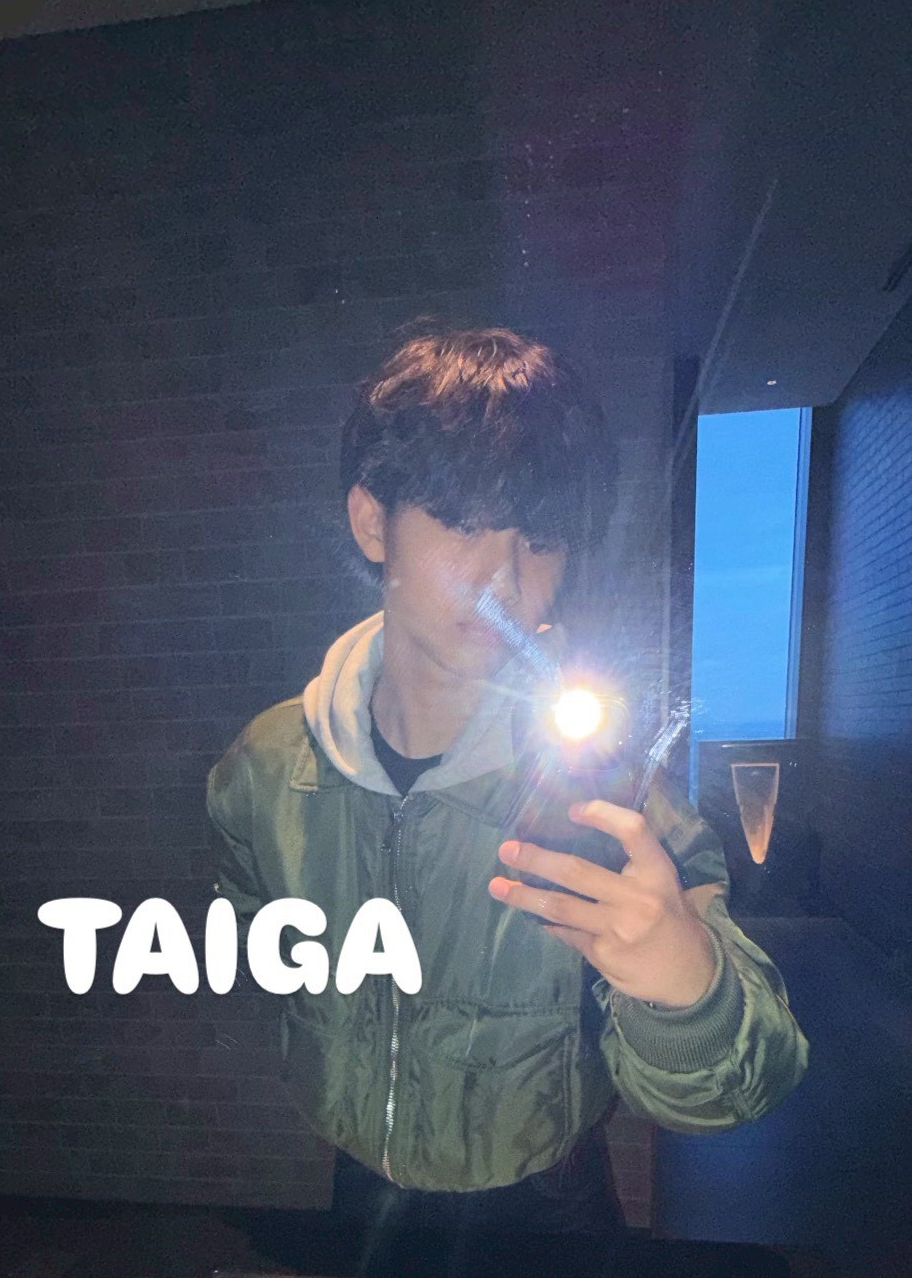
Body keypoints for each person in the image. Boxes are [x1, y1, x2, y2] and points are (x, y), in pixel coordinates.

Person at [206, 328, 809, 1277]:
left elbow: (750, 1081)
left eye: (539, 538)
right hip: (359, 1192)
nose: (503, 580)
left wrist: (686, 989)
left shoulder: (603, 783)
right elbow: (246, 922)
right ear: (373, 523)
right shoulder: (269, 765)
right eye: (463, 522)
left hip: (546, 1207)